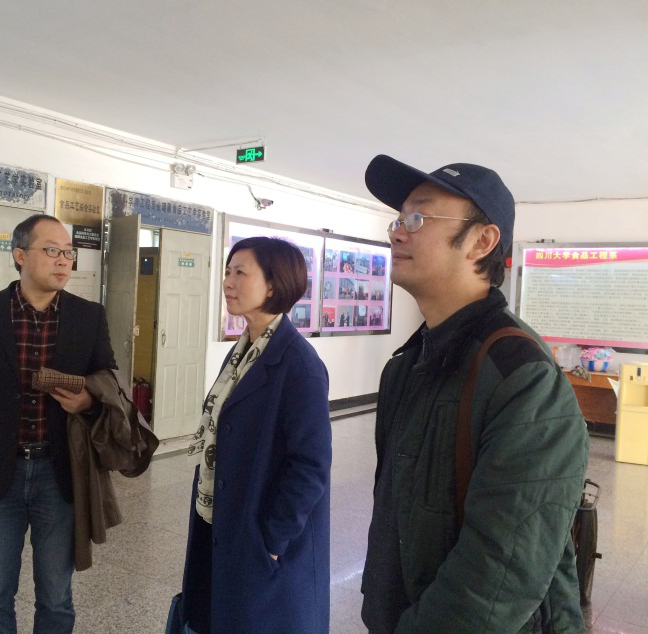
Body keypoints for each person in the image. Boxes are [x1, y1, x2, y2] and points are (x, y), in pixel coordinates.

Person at [360, 155, 588, 633]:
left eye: (418, 218)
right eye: (399, 219)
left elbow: (500, 576)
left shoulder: (520, 375)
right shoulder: (406, 365)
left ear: (482, 241)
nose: (397, 233)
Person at [0, 214, 116, 633]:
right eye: (51, 250)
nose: (64, 260)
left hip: (60, 473)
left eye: (68, 252)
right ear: (19, 255)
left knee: (56, 596)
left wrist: (88, 398)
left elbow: (107, 377)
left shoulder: (88, 315)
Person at [180, 237, 332, 633]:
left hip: (258, 532)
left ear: (273, 284)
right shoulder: (243, 352)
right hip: (223, 518)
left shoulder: (299, 365)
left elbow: (311, 466)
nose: (228, 282)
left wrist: (272, 540)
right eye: (227, 271)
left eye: (240, 273)